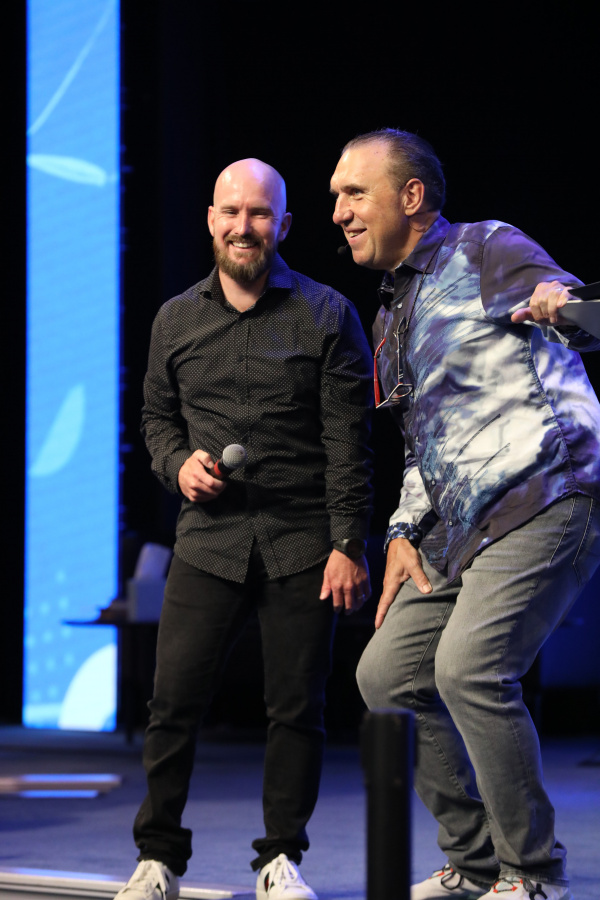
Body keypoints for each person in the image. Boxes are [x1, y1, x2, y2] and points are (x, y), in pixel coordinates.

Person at [330, 129, 600, 900]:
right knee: (386, 674)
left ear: (411, 196)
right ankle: (477, 861)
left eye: (355, 193)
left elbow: (583, 313)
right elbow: (423, 444)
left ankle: (532, 872)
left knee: (470, 668)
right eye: (336, 197)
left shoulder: (486, 249)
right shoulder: (390, 318)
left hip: (546, 492)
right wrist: (400, 532)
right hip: (458, 526)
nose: (339, 211)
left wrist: (564, 305)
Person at [116, 158, 373, 900]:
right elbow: (156, 420)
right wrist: (177, 467)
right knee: (172, 705)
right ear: (211, 219)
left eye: (259, 213)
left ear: (283, 225)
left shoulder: (328, 314)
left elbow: (349, 444)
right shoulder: (175, 319)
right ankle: (157, 859)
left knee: (297, 710)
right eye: (231, 211)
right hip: (208, 540)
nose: (243, 226)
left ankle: (280, 859)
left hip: (302, 540)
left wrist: (347, 544)